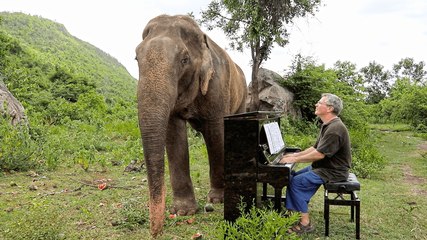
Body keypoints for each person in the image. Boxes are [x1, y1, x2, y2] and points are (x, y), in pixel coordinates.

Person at [279, 93, 352, 235]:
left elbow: (319, 155)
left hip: (333, 172)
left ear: (329, 108)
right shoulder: (328, 125)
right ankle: (293, 214)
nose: (316, 105)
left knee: (297, 183)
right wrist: (295, 155)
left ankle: (305, 223)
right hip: (324, 168)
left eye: (320, 103)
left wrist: (293, 160)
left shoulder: (335, 129)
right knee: (291, 177)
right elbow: (315, 148)